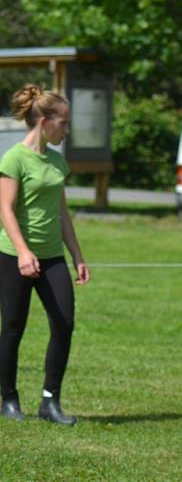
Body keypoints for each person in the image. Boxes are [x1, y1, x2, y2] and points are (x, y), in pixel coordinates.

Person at [0, 84, 90, 425]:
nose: (66, 130)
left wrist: (77, 256)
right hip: (14, 255)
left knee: (64, 323)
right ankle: (8, 398)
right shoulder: (13, 159)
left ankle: (50, 401)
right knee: (12, 328)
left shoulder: (56, 160)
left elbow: (62, 213)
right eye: (63, 123)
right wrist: (23, 252)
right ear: (43, 121)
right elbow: (5, 210)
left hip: (52, 256)